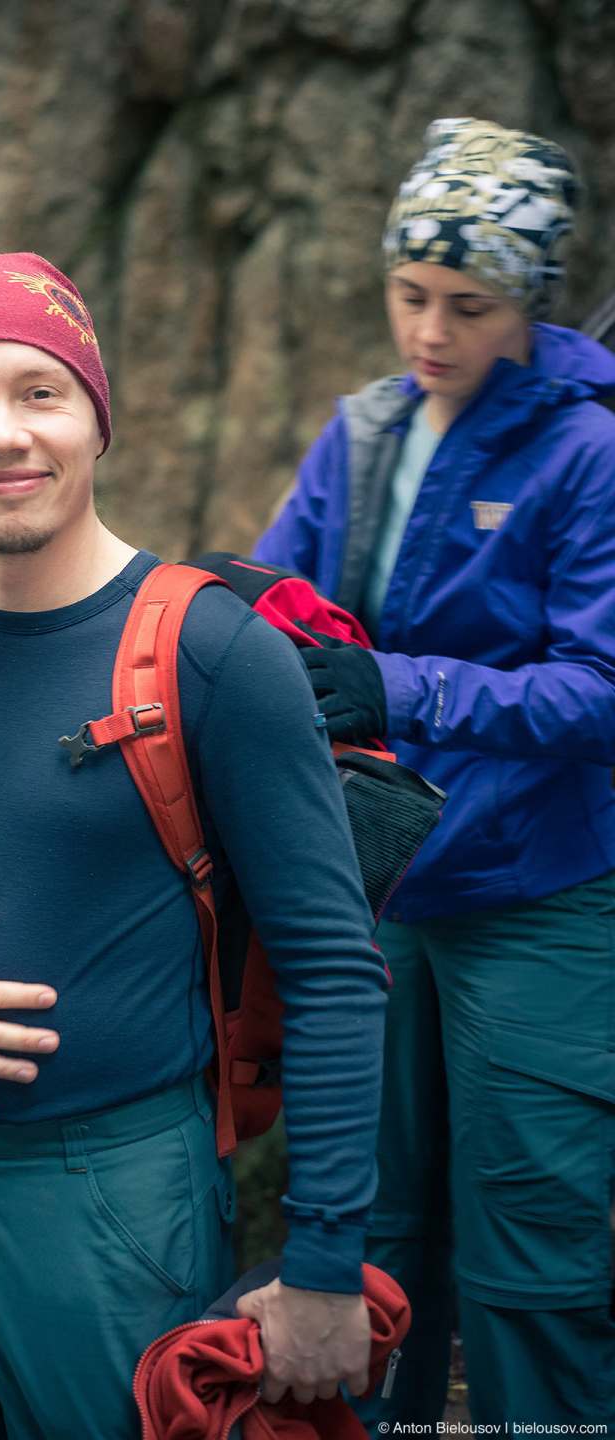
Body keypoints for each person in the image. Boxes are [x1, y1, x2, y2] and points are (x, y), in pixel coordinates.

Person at [0, 252, 388, 1439]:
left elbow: (336, 970)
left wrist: (324, 1260)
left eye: (39, 392)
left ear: (98, 418)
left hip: (113, 1196)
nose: (4, 435)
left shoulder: (212, 651)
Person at [254, 118, 615, 1427]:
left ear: (527, 299)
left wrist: (400, 686)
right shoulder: (362, 433)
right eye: (409, 294)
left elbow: (603, 690)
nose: (430, 330)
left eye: (467, 303)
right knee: (375, 1241)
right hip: (385, 887)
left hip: (543, 896)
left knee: (534, 1262)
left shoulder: (589, 451)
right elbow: (268, 596)